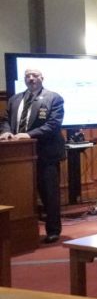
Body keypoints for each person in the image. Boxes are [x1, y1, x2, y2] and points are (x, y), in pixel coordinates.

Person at [0, 68, 66, 244]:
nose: (31, 79)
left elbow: (53, 125)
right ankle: (21, 232)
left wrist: (29, 135)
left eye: (34, 75)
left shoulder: (54, 98)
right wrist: (6, 132)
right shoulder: (15, 99)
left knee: (49, 194)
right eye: (27, 76)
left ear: (42, 78)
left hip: (46, 154)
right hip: (19, 157)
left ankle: (53, 230)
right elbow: (5, 120)